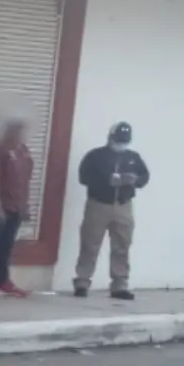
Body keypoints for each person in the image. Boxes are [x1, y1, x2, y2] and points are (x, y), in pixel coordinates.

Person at [73, 121, 149, 300]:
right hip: (98, 204)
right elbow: (83, 177)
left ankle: (119, 285)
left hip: (123, 205)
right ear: (110, 137)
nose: (121, 143)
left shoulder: (133, 157)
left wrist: (134, 180)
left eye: (124, 140)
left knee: (122, 245)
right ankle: (82, 281)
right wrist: (107, 180)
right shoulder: (95, 156)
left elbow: (145, 177)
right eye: (118, 139)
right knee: (90, 244)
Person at [0, 120, 33, 298]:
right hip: (2, 206)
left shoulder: (23, 152)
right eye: (18, 133)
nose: (21, 137)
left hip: (17, 206)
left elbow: (25, 181)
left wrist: (25, 205)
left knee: (6, 246)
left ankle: (3, 280)